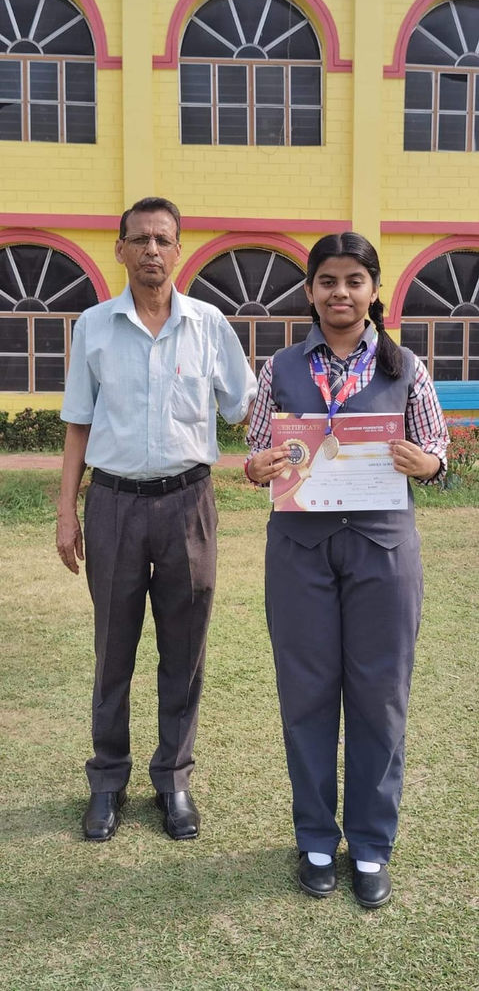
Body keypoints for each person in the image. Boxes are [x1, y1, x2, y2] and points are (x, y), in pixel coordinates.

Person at [245, 232, 448, 908]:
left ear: (373, 289)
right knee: (305, 694)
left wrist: (428, 463)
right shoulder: (280, 367)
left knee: (379, 697)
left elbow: (437, 450)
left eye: (353, 280)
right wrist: (257, 467)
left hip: (382, 551)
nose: (340, 292)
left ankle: (368, 844)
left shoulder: (406, 367)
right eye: (327, 281)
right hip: (299, 550)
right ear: (309, 291)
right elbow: (255, 451)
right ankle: (313, 839)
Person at [56, 196, 257, 843]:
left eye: (162, 239)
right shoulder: (93, 326)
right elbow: (78, 423)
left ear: (178, 249)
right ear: (119, 249)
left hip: (188, 506)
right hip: (113, 505)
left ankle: (173, 778)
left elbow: (246, 407)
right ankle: (107, 779)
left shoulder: (208, 325)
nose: (151, 250)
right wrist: (66, 511)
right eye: (139, 238)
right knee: (112, 649)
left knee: (184, 649)